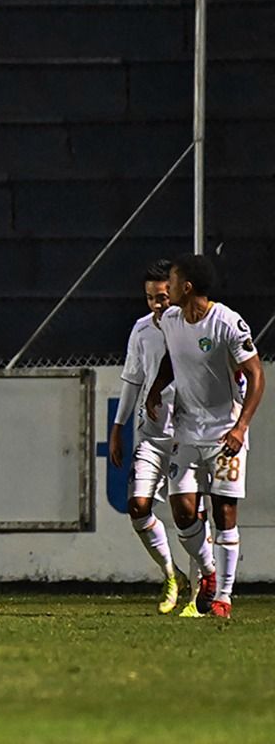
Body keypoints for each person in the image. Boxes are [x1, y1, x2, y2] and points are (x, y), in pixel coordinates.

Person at [145, 253, 265, 619]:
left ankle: (223, 598)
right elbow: (171, 358)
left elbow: (256, 375)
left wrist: (240, 427)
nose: (168, 286)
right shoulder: (169, 320)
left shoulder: (227, 322)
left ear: (188, 286)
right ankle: (209, 572)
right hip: (186, 428)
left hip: (225, 432)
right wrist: (155, 388)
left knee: (224, 511)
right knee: (182, 511)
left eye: (174, 279)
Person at [108, 259, 207, 616]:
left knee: (191, 513)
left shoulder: (193, 327)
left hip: (189, 433)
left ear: (178, 291)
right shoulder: (141, 330)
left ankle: (201, 594)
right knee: (138, 508)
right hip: (151, 434)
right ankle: (171, 574)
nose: (157, 305)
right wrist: (118, 428)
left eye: (163, 296)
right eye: (151, 298)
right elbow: (132, 379)